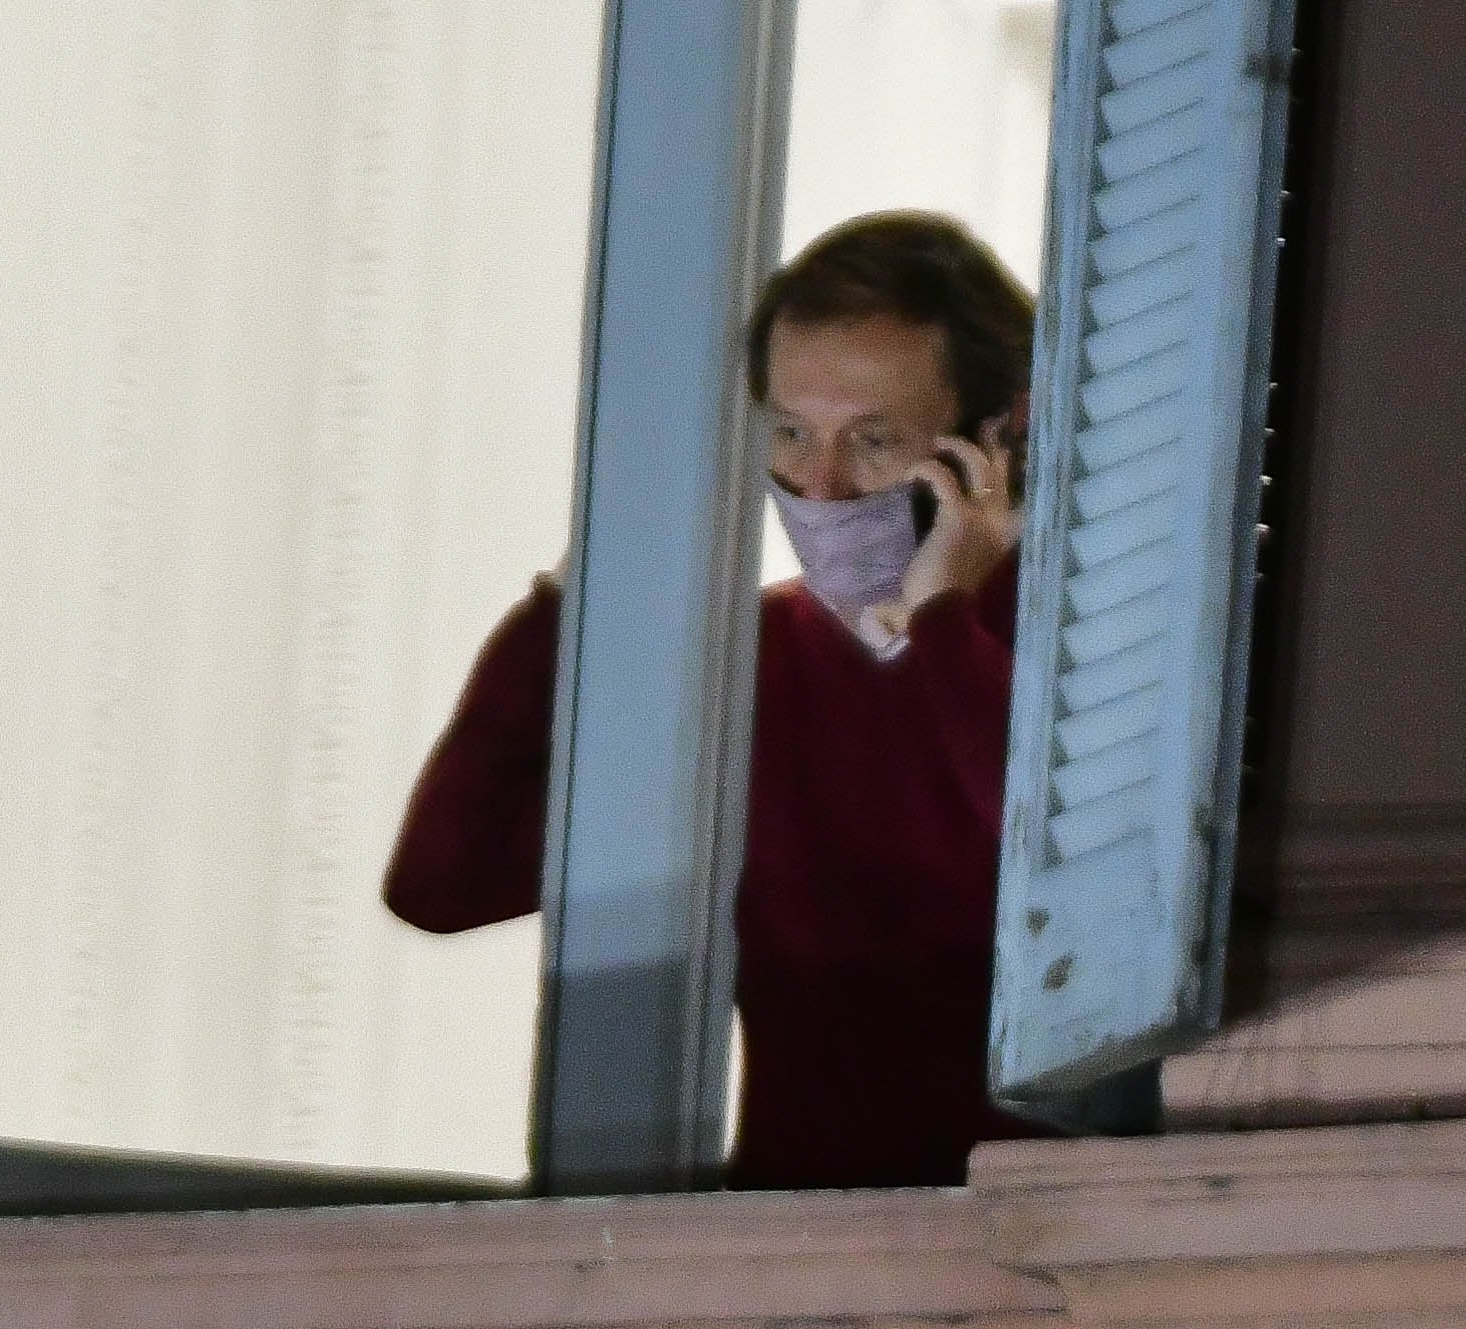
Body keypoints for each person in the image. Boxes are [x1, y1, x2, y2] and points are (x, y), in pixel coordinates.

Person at [384, 211, 1048, 1189]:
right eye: (788, 432)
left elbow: (1057, 848)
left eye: (872, 441)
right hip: (783, 1237)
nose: (816, 485)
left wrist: (944, 620)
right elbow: (443, 885)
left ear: (998, 435)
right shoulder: (762, 657)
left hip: (1039, 1236)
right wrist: (572, 596)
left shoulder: (1087, 647)